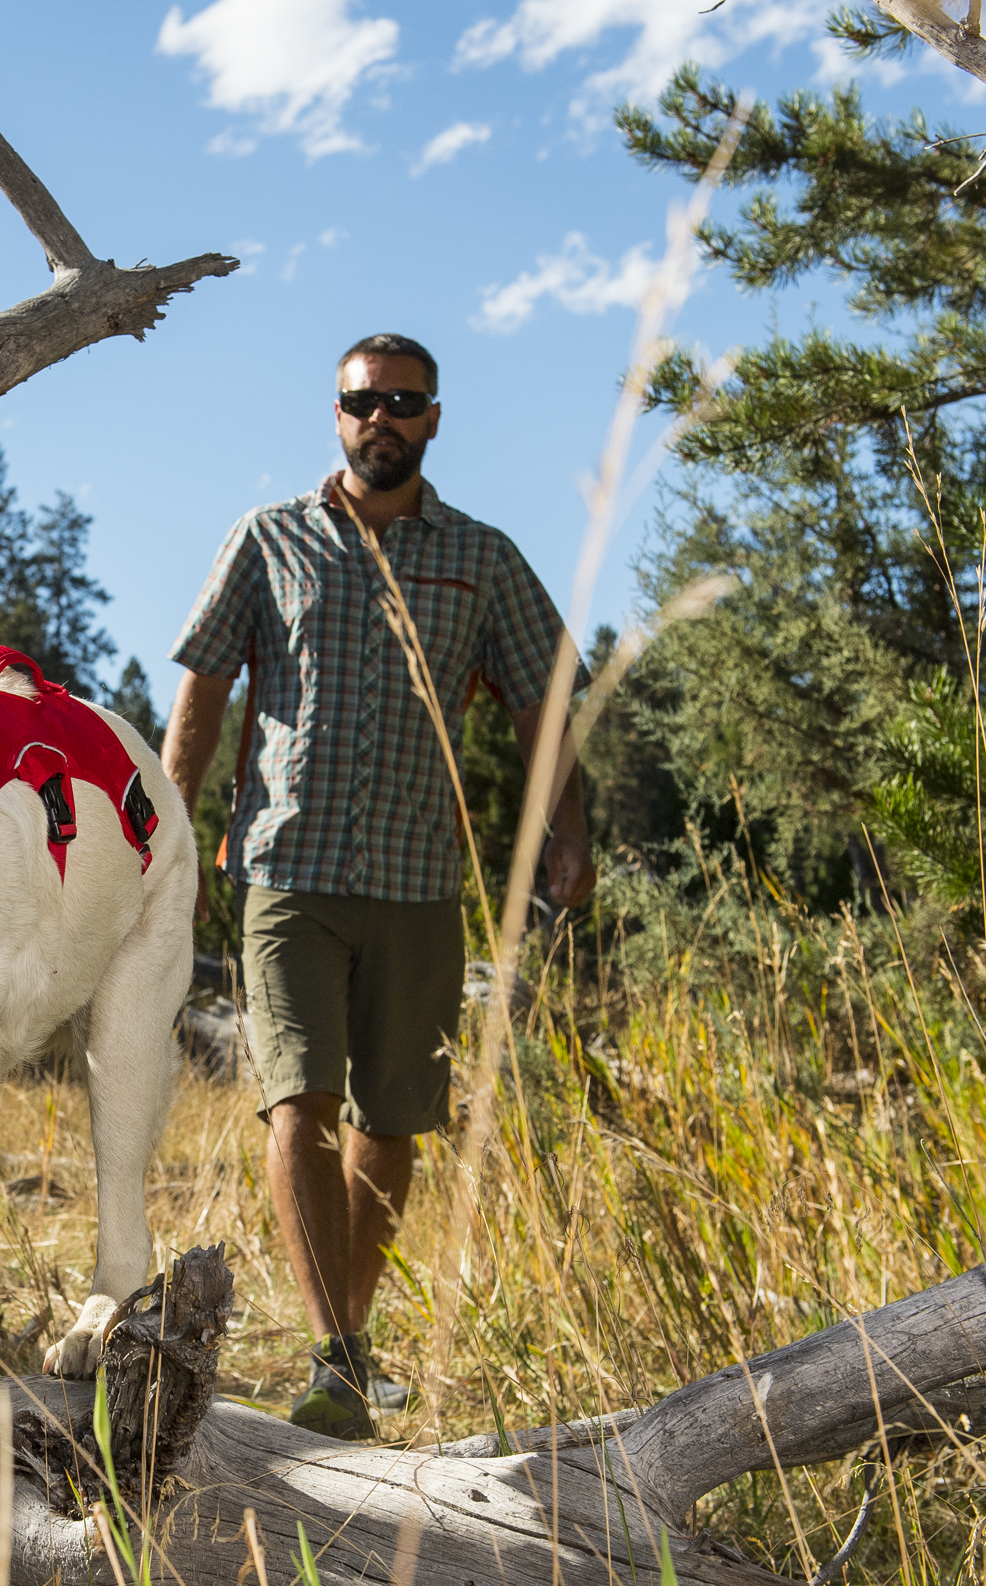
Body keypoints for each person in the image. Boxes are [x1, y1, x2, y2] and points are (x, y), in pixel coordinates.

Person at [160, 333, 594, 1440]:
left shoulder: (480, 558)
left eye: (403, 403)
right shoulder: (270, 541)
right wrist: (166, 825)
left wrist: (566, 833)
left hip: (414, 881)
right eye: (363, 403)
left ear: (434, 419)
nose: (381, 420)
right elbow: (204, 690)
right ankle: (336, 1352)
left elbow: (544, 698)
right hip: (283, 869)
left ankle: (345, 1348)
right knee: (295, 1098)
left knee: (388, 1122)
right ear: (337, 415)